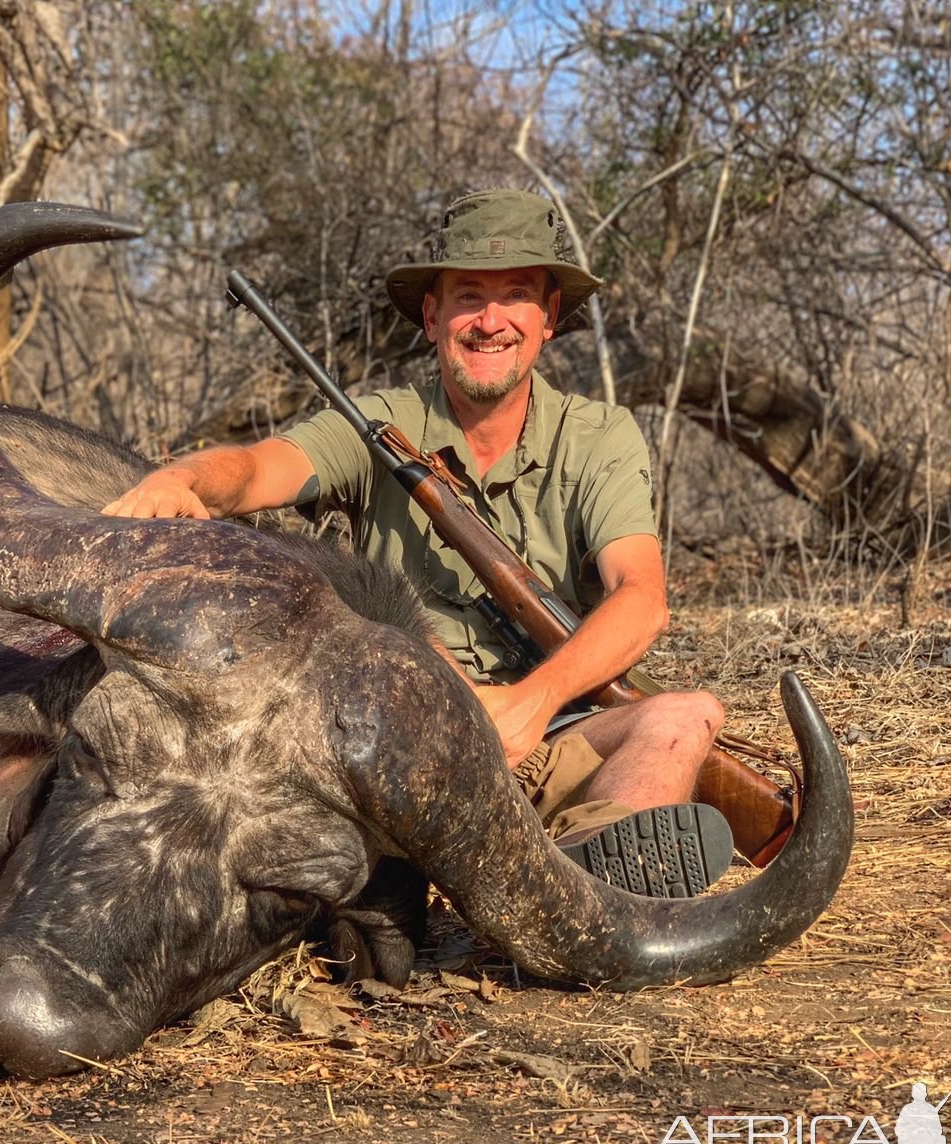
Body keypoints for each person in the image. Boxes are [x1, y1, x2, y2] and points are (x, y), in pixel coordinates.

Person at [104, 188, 734, 897]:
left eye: (516, 297)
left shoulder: (599, 435)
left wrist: (532, 702)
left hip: (548, 731)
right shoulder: (378, 425)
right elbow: (254, 469)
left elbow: (642, 600)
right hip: (397, 740)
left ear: (549, 318)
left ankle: (587, 887)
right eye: (468, 297)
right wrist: (177, 480)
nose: (490, 321)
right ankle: (534, 889)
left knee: (687, 716)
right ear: (433, 317)